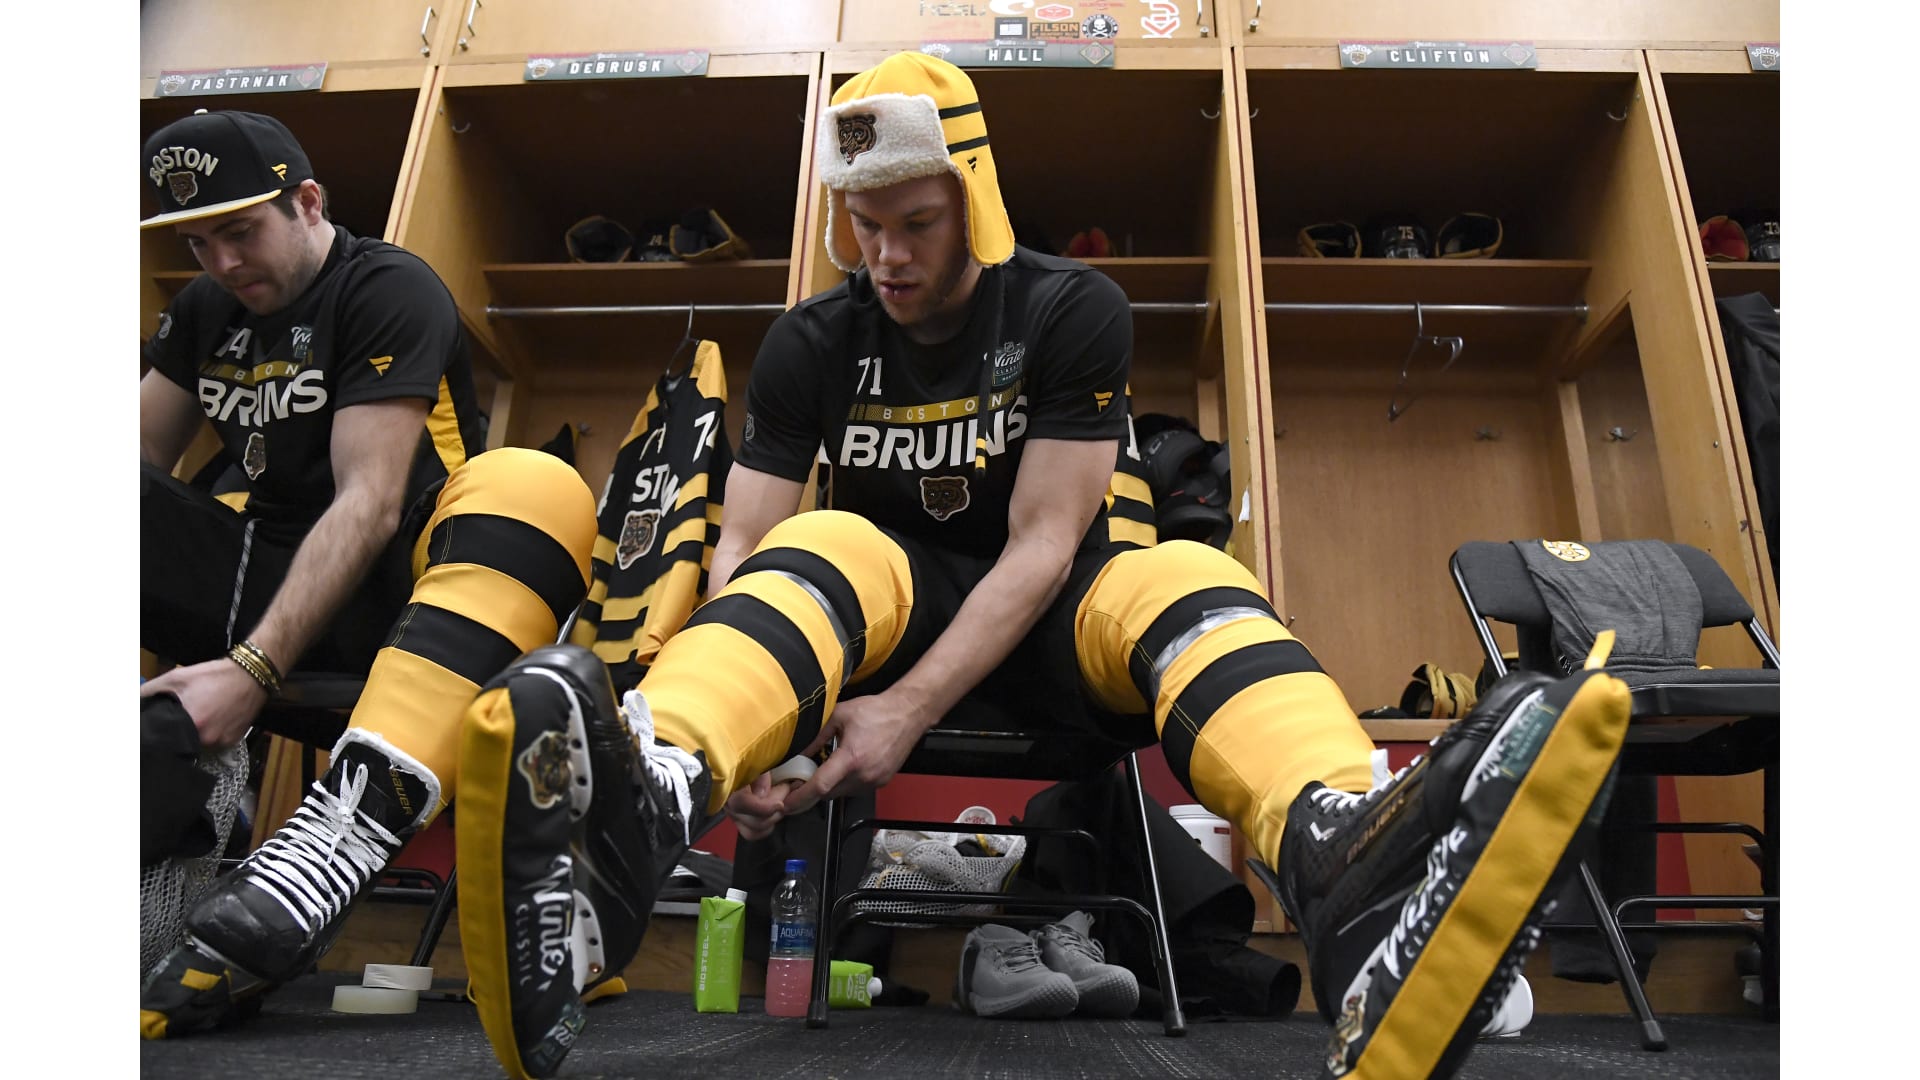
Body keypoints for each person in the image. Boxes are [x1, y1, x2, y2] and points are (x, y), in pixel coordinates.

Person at [462, 53, 1634, 1080]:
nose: (887, 256)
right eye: (864, 226)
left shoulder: (1071, 308)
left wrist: (911, 712)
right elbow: (742, 543)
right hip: (883, 614)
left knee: (1179, 576)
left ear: (975, 202)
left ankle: (1346, 869)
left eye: (917, 223)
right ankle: (651, 797)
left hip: (1052, 625)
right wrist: (759, 747)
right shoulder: (814, 341)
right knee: (822, 539)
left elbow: (1042, 544)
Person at [136, 110, 604, 1037]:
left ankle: (333, 841)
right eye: (198, 244)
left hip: (412, 604)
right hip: (268, 577)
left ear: (308, 203)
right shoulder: (204, 311)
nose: (222, 262)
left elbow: (369, 503)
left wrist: (250, 671)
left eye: (240, 231)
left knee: (532, 482)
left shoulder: (388, 288)